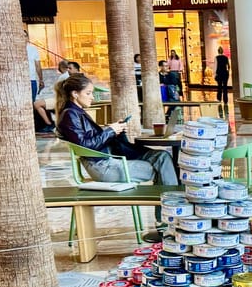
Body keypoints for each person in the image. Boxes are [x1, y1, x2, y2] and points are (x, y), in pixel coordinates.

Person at [56, 74, 177, 243]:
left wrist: (113, 130)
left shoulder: (76, 113)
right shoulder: (70, 115)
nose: (92, 97)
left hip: (107, 162)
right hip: (104, 167)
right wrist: (110, 131)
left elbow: (90, 140)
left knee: (162, 156)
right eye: (89, 93)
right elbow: (87, 145)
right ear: (75, 94)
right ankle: (167, 222)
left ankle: (167, 219)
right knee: (162, 167)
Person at [34, 60, 78, 132]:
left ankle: (49, 124)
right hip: (61, 98)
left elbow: (59, 90)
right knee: (42, 104)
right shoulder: (67, 76)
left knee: (37, 104)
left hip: (61, 100)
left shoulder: (64, 76)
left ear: (61, 67)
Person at [25, 33, 42, 101]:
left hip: (31, 79)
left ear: (28, 38)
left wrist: (41, 79)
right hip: (19, 80)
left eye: (25, 36)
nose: (23, 38)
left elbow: (38, 65)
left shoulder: (33, 49)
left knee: (32, 100)